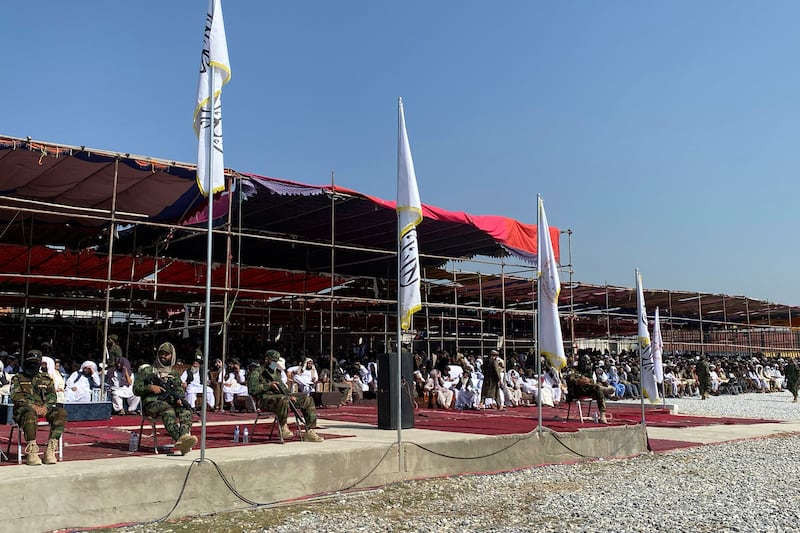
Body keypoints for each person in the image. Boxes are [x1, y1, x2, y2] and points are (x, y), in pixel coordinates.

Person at [133, 342, 198, 455]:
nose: (163, 356)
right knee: (168, 410)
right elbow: (136, 389)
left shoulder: (174, 373)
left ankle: (184, 438)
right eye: (161, 353)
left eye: (166, 354)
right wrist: (150, 387)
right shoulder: (148, 371)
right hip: (152, 404)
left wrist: (179, 399)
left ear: (172, 356)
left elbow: (179, 390)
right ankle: (181, 440)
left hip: (170, 402)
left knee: (186, 410)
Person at [247, 349, 324, 442]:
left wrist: (290, 395)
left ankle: (309, 430)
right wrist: (268, 385)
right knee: (283, 399)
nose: (275, 364)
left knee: (307, 399)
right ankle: (283, 427)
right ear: (266, 359)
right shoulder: (256, 372)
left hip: (280, 400)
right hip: (264, 401)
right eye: (273, 361)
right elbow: (252, 390)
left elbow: (283, 387)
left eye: (276, 361)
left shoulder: (275, 373)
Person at [11, 350, 68, 465]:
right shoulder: (18, 378)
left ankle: (50, 450)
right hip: (24, 410)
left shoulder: (46, 378)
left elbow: (52, 396)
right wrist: (33, 406)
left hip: (44, 409)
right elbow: (16, 396)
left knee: (61, 412)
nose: (33, 365)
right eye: (30, 362)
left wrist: (46, 407)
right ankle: (32, 450)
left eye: (35, 362)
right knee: (30, 413)